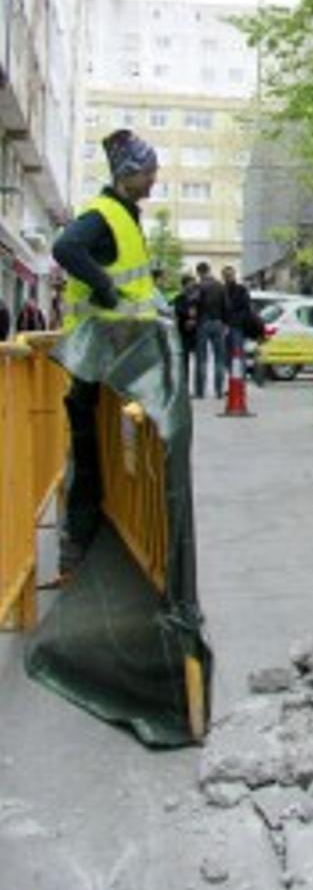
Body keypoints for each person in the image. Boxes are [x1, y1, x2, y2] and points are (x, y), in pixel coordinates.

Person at [50, 127, 159, 573]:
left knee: (109, 455)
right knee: (91, 456)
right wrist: (105, 288)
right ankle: (80, 546)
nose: (153, 180)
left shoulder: (124, 216)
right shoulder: (103, 215)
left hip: (116, 359)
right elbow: (65, 248)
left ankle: (93, 545)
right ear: (128, 173)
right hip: (99, 361)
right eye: (149, 172)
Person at [192, 261, 226, 399]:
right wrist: (224, 323)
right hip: (218, 323)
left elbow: (193, 302)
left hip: (203, 323)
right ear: (209, 270)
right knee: (219, 358)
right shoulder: (220, 286)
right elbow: (226, 305)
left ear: (199, 272)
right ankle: (218, 391)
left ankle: (200, 392)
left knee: (202, 358)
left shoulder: (198, 286)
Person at [220, 264, 255, 377]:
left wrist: (237, 321)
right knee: (227, 357)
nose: (228, 277)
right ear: (223, 277)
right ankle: (233, 382)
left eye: (230, 275)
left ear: (234, 275)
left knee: (238, 355)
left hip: (237, 327)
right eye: (226, 275)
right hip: (225, 327)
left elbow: (246, 309)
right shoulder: (222, 290)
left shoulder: (241, 290)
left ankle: (240, 382)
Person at [173, 271, 199, 376]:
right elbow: (178, 311)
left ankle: (198, 387)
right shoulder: (179, 298)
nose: (192, 286)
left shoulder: (197, 298)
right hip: (183, 332)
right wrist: (189, 316)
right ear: (184, 285)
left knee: (200, 360)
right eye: (190, 283)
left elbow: (201, 311)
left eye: (193, 283)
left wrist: (194, 320)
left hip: (196, 332)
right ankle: (185, 386)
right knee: (184, 360)